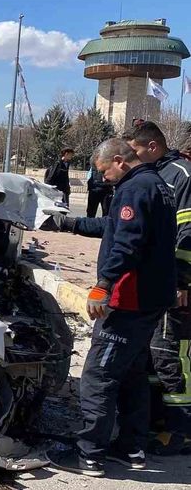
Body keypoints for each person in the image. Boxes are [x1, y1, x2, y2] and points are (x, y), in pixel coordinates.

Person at [44, 138, 177, 476]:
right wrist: (71, 223)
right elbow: (115, 226)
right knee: (132, 375)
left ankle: (89, 454)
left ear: (119, 160)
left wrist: (102, 286)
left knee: (99, 376)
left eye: (104, 172)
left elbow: (127, 244)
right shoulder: (157, 184)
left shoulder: (134, 189)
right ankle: (132, 449)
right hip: (152, 298)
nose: (103, 178)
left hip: (129, 299)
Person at [123, 121, 191, 455]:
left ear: (152, 146)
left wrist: (181, 280)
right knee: (152, 356)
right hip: (154, 285)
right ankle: (157, 422)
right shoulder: (155, 175)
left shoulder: (181, 175)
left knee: (171, 357)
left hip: (177, 285)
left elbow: (187, 233)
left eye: (134, 149)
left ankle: (182, 431)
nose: (129, 156)